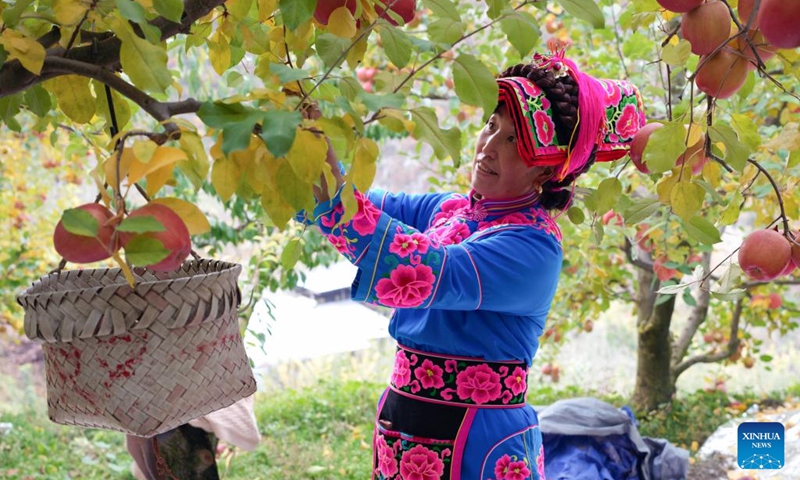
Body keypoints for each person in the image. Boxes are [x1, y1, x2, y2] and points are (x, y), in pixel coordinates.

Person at [304, 43, 646, 479]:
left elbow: (425, 269)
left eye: (513, 142)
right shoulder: (447, 210)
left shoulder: (532, 247)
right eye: (491, 125)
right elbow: (359, 206)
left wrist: (331, 192)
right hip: (406, 424)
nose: (488, 146)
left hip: (479, 440)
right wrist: (306, 160)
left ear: (545, 171)